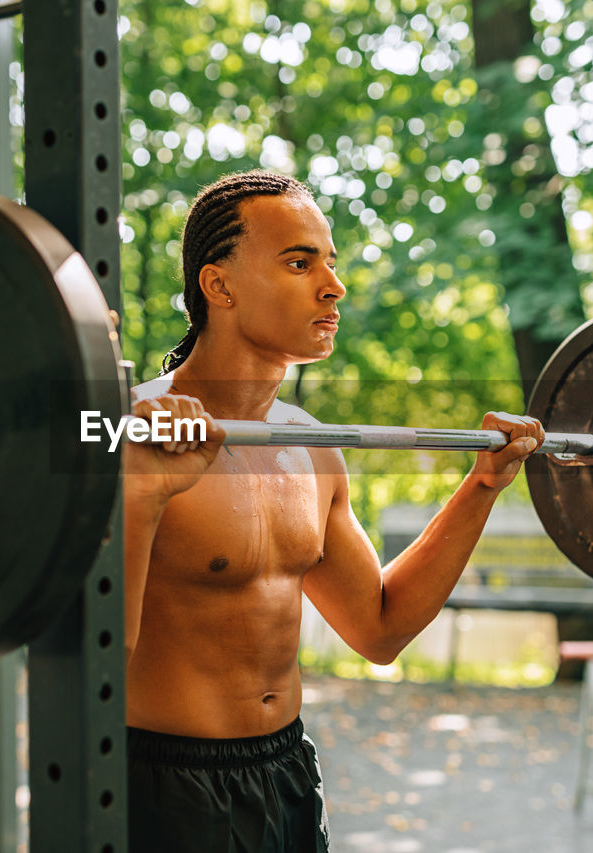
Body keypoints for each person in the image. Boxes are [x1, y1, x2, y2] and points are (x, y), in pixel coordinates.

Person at [122, 170, 544, 852]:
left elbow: (379, 628)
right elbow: (86, 665)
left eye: (330, 262)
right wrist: (140, 496)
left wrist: (484, 485)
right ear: (218, 285)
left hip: (285, 775)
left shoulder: (312, 450)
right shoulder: (134, 433)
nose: (333, 286)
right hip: (162, 786)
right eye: (299, 262)